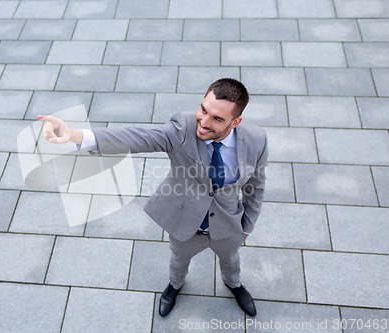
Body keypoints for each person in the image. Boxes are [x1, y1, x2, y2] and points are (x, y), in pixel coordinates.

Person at [38, 78, 268, 317]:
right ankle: (175, 286)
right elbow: (135, 137)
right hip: (185, 221)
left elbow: (256, 186)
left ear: (236, 121)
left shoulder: (256, 139)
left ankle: (234, 285)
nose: (203, 122)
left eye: (217, 119)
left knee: (231, 261)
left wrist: (247, 225)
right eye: (203, 110)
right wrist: (76, 135)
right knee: (178, 261)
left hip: (229, 224)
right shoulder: (181, 129)